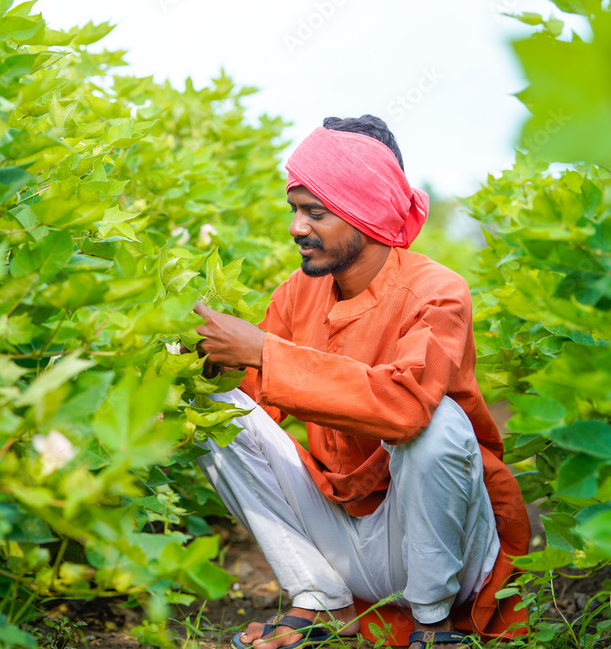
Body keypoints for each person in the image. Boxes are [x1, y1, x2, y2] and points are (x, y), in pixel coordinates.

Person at [191, 116, 530, 649]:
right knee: (216, 412)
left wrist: (263, 352)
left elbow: (404, 409)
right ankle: (315, 597)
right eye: (295, 209)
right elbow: (255, 410)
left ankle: (432, 621)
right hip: (347, 540)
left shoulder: (437, 291)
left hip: (445, 548)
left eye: (315, 212)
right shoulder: (295, 295)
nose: (296, 227)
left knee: (436, 420)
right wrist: (207, 373)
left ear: (363, 214)